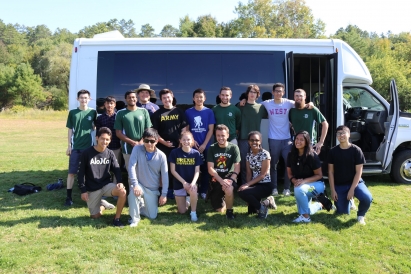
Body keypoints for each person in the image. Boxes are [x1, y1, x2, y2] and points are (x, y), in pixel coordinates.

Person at [77, 127, 127, 226]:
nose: (105, 141)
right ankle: (103, 205)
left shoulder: (110, 153)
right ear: (97, 138)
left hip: (105, 185)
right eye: (102, 139)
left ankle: (117, 219)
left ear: (110, 140)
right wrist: (83, 190)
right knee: (95, 216)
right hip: (92, 188)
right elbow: (80, 173)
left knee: (122, 192)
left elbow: (116, 169)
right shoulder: (86, 153)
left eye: (107, 139)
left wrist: (120, 182)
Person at [328, 125, 373, 225]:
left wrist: (352, 189)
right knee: (342, 212)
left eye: (343, 133)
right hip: (340, 184)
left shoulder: (356, 150)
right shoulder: (333, 151)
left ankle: (361, 215)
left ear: (349, 135)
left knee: (367, 198)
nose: (341, 135)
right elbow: (330, 172)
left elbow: (359, 172)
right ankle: (350, 201)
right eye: (338, 134)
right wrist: (333, 190)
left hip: (355, 183)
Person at [151, 88, 188, 199]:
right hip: (163, 147)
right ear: (161, 100)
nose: (167, 99)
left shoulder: (179, 112)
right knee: (164, 170)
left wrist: (181, 142)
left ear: (172, 97)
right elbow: (154, 132)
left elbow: (184, 128)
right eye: (164, 98)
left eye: (168, 97)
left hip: (178, 146)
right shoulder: (157, 114)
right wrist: (163, 142)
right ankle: (166, 191)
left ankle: (177, 189)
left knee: (177, 169)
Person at [128, 128, 169, 227]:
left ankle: (141, 206)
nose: (149, 144)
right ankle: (134, 219)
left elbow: (165, 175)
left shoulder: (162, 156)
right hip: (139, 185)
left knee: (152, 216)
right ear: (143, 140)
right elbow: (131, 166)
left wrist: (164, 194)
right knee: (133, 191)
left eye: (152, 141)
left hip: (152, 189)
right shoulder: (137, 149)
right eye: (146, 141)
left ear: (157, 141)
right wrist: (135, 184)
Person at [65, 89, 97, 206]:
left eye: (86, 98)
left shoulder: (92, 113)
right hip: (76, 148)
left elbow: (94, 127)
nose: (84, 100)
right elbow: (70, 130)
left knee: (88, 173)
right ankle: (68, 197)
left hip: (88, 148)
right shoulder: (73, 113)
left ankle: (90, 195)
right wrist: (69, 146)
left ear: (89, 99)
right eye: (81, 98)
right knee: (71, 173)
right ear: (77, 99)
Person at [114, 90, 152, 186]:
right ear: (126, 99)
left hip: (144, 147)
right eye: (129, 97)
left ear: (137, 98)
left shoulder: (143, 111)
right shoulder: (120, 113)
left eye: (133, 97)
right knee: (132, 174)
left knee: (144, 172)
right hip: (128, 149)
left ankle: (143, 195)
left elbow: (148, 129)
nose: (132, 99)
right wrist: (132, 142)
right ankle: (133, 197)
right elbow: (118, 133)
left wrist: (141, 141)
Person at [287, 131, 325, 223]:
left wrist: (303, 181)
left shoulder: (312, 156)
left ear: (307, 142)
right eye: (297, 139)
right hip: (302, 185)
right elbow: (289, 173)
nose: (298, 141)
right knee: (304, 208)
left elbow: (319, 175)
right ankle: (320, 205)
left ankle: (305, 217)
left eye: (301, 140)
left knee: (299, 189)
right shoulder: (290, 155)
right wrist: (294, 180)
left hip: (316, 186)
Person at [185, 88, 216, 199]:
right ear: (193, 98)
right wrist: (193, 141)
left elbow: (211, 130)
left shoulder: (209, 112)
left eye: (201, 97)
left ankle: (203, 190)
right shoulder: (188, 112)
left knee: (206, 169)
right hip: (192, 145)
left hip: (206, 146)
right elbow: (187, 129)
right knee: (192, 169)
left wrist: (204, 144)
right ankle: (193, 189)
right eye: (197, 97)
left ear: (205, 98)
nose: (199, 99)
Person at [238, 131, 276, 219]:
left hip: (265, 185)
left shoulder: (265, 154)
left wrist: (247, 185)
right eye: (252, 140)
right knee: (251, 212)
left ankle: (263, 209)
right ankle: (268, 201)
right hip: (254, 185)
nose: (254, 142)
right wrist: (248, 188)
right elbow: (248, 173)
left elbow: (263, 174)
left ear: (260, 141)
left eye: (256, 140)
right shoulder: (248, 155)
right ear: (248, 141)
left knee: (241, 192)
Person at [207, 124, 241, 219]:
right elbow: (210, 168)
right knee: (219, 209)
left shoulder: (234, 148)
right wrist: (221, 181)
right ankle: (223, 199)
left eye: (223, 135)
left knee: (229, 188)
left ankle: (229, 212)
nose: (220, 138)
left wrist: (230, 180)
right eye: (218, 135)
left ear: (228, 136)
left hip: (229, 176)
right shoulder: (212, 148)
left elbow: (237, 168)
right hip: (216, 178)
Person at [237, 85, 267, 186]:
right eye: (250, 92)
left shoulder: (261, 107)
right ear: (247, 93)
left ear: (257, 95)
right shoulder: (241, 106)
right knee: (245, 164)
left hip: (256, 140)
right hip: (244, 138)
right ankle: (245, 185)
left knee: (258, 163)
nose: (252, 94)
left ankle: (256, 184)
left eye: (255, 92)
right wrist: (242, 101)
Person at [169, 131, 202, 221]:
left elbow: (197, 171)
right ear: (180, 141)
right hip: (179, 183)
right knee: (182, 211)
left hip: (191, 182)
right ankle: (187, 200)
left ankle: (193, 213)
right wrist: (184, 183)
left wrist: (193, 183)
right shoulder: (174, 152)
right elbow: (173, 170)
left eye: (188, 139)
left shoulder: (196, 153)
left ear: (192, 141)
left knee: (193, 189)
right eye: (184, 139)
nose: (186, 142)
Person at [289, 88, 329, 155]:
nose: (298, 97)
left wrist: (321, 142)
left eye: (300, 96)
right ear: (294, 97)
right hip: (297, 143)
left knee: (310, 164)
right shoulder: (291, 110)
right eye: (296, 96)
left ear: (305, 97)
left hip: (310, 144)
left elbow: (325, 124)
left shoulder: (312, 109)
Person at [95, 96, 122, 183]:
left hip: (117, 146)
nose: (109, 105)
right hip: (104, 147)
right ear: (105, 105)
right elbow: (97, 134)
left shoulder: (119, 117)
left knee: (116, 167)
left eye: (111, 103)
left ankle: (115, 186)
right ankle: (104, 185)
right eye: (107, 103)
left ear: (114, 105)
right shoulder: (100, 118)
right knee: (103, 167)